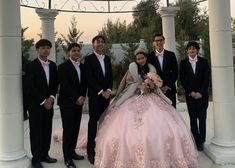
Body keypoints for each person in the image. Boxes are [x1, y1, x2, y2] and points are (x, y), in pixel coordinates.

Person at [94, 47, 198, 168]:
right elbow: (127, 83)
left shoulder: (151, 68)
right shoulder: (132, 68)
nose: (140, 60)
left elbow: (157, 82)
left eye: (142, 58)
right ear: (135, 59)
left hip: (151, 96)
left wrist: (150, 86)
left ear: (146, 58)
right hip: (134, 96)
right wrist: (138, 87)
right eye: (138, 58)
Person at [26, 39, 58, 168]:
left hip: (49, 104)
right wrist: (43, 101)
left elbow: (55, 83)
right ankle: (36, 158)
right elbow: (30, 86)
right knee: (36, 131)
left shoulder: (53, 65)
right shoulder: (31, 65)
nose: (46, 50)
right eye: (43, 47)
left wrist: (51, 98)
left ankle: (45, 154)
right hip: (36, 105)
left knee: (47, 129)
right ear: (37, 49)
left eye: (48, 48)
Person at [84, 35, 113, 164]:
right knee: (93, 123)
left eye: (102, 42)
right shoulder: (88, 59)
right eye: (98, 42)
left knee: (105, 123)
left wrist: (109, 90)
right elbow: (89, 78)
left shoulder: (107, 59)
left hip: (107, 96)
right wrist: (101, 91)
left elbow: (110, 76)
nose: (100, 44)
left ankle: (103, 147)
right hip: (96, 97)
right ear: (93, 45)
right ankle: (91, 151)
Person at [58, 43, 87, 168]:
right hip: (67, 103)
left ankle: (73, 152)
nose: (76, 52)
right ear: (68, 52)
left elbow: (84, 83)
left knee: (75, 129)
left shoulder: (83, 66)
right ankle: (67, 158)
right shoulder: (62, 67)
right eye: (73, 50)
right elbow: (64, 85)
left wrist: (83, 96)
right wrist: (76, 97)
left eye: (77, 50)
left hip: (79, 102)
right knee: (68, 130)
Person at [180, 41, 210, 151]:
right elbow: (183, 79)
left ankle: (201, 141)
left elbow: (206, 79)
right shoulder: (183, 63)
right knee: (193, 119)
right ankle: (195, 140)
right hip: (190, 95)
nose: (191, 50)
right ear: (187, 51)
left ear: (197, 50)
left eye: (194, 48)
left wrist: (200, 92)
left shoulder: (204, 62)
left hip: (202, 96)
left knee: (202, 118)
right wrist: (191, 92)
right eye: (189, 48)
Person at [148, 33, 178, 108]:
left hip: (170, 90)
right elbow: (149, 74)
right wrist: (157, 87)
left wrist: (167, 86)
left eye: (161, 40)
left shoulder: (171, 55)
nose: (159, 42)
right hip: (156, 91)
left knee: (172, 114)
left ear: (164, 41)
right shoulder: (149, 56)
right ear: (153, 43)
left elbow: (175, 72)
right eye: (156, 40)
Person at [22, 55, 30, 120]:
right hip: (24, 86)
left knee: (25, 100)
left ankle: (24, 114)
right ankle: (24, 114)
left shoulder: (24, 61)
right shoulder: (25, 61)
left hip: (24, 86)